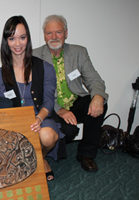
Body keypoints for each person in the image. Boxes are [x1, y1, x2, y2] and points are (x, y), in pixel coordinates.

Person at [0, 16, 65, 181]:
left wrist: (38, 119)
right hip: (16, 121)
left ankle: (40, 159)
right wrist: (21, 123)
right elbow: (4, 106)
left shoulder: (45, 67)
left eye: (22, 37)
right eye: (12, 38)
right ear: (6, 41)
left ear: (28, 39)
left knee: (47, 136)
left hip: (42, 116)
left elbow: (48, 100)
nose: (17, 43)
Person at [33, 15, 108, 172]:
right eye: (49, 33)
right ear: (44, 35)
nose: (54, 37)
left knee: (98, 103)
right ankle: (46, 152)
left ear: (66, 33)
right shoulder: (34, 56)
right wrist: (59, 109)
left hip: (75, 102)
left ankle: (86, 154)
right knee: (69, 132)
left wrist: (98, 97)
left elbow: (94, 80)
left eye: (58, 32)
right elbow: (37, 93)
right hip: (51, 107)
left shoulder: (79, 52)